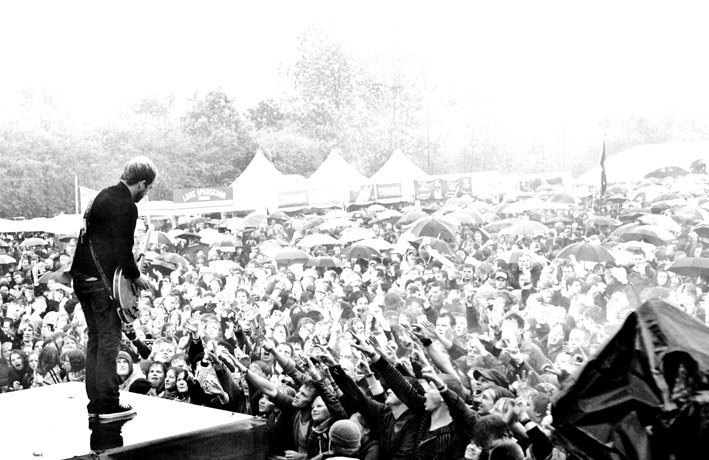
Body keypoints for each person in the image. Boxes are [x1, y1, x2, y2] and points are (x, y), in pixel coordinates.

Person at [70, 156, 156, 422]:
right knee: (109, 340)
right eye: (148, 188)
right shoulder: (127, 206)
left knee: (95, 339)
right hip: (102, 283)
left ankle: (95, 402)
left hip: (81, 278)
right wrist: (136, 276)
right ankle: (107, 403)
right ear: (141, 182)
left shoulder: (99, 197)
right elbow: (122, 249)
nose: (146, 193)